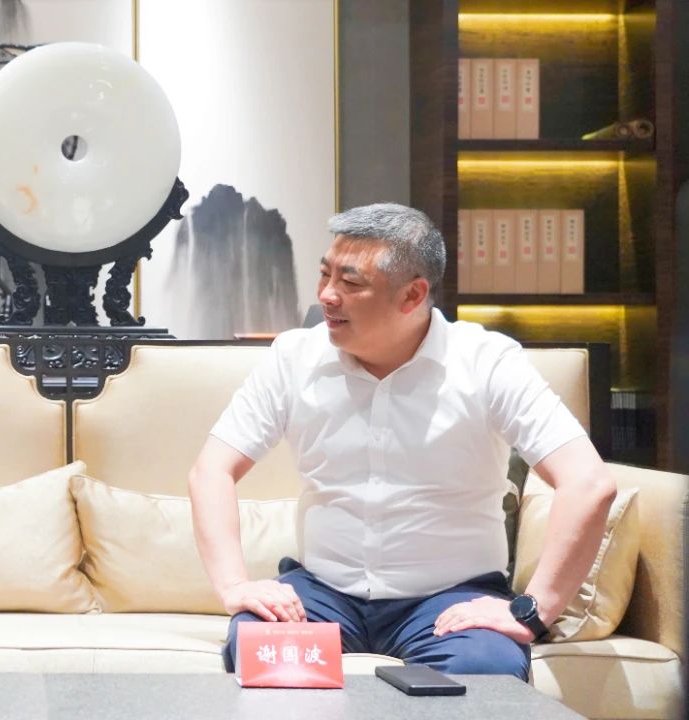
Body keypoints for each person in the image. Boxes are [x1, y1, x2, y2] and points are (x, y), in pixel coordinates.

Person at [191, 203, 616, 680]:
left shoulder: (486, 362)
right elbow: (212, 471)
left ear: (412, 295)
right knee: (263, 652)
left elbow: (588, 483)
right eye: (325, 274)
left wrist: (534, 609)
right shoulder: (294, 357)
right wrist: (234, 586)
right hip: (320, 594)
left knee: (485, 672)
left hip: (450, 600)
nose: (327, 295)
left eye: (350, 283)